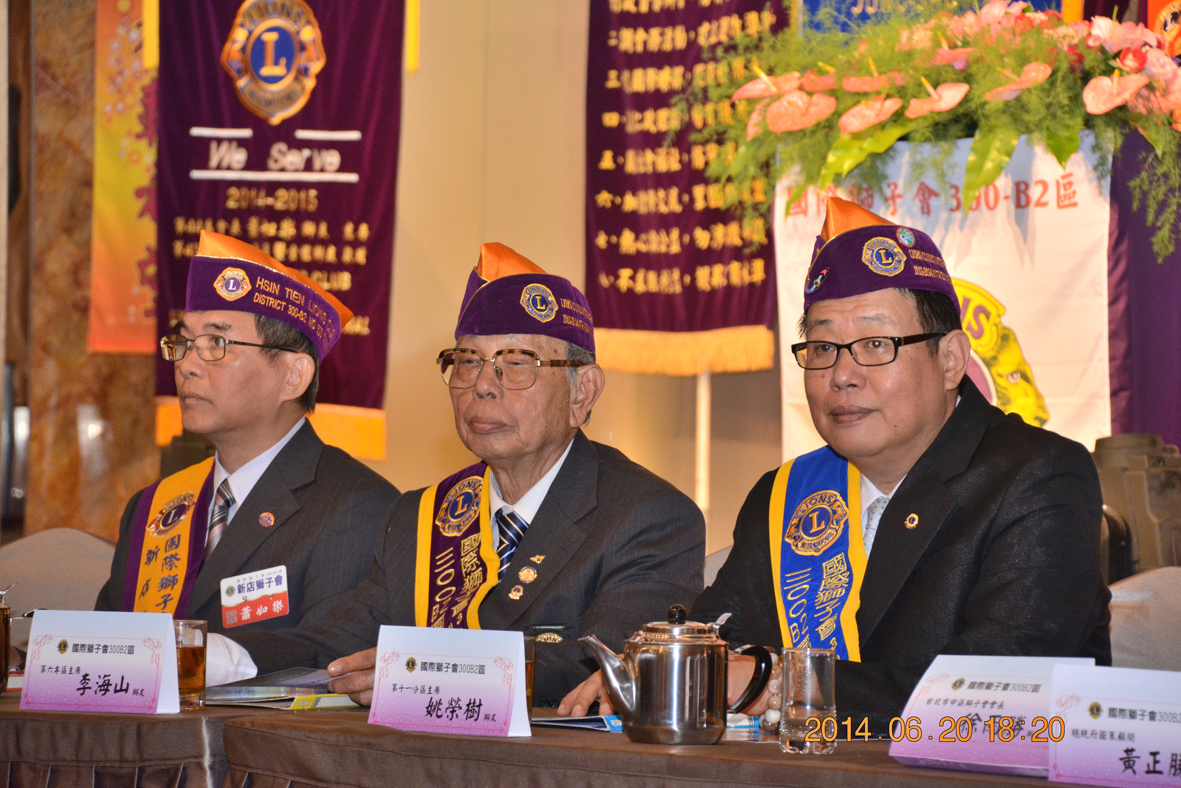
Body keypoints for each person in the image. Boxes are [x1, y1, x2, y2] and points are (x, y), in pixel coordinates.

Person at [559, 198, 1111, 730]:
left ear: (950, 360)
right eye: (823, 348)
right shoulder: (785, 493)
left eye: (875, 345)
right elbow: (720, 638)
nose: (842, 375)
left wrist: (781, 682)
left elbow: (1003, 688)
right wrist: (655, 671)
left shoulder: (1038, 477)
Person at [226, 242, 705, 706]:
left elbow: (605, 666)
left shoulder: (648, 517)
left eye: (517, 364)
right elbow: (337, 647)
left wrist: (422, 672)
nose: (482, 386)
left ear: (583, 392)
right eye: (468, 362)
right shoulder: (418, 517)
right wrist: (222, 657)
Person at [96, 231, 400, 683]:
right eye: (184, 342)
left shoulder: (357, 506)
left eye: (217, 344)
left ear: (294, 376)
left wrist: (201, 656)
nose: (186, 365)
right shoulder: (153, 507)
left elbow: (333, 656)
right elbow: (104, 652)